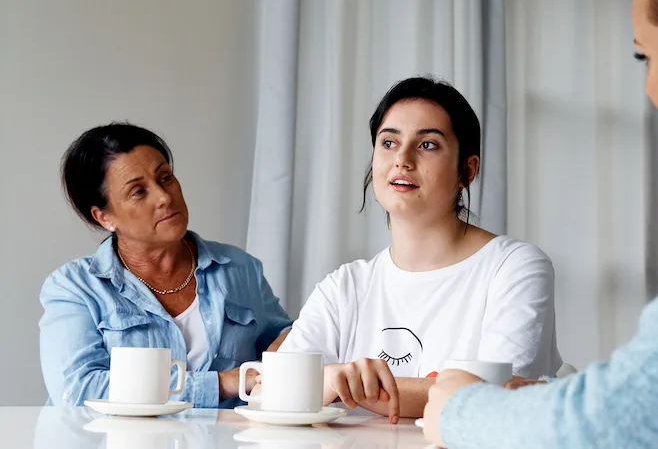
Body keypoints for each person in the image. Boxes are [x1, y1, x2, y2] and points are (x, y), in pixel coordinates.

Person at [422, 0, 658, 447]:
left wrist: (460, 410)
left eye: (646, 56)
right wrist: (546, 402)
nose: (649, 89)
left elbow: (630, 426)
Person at [273, 77, 562, 422]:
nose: (402, 159)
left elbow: (494, 396)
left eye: (427, 145)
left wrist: (343, 386)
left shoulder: (515, 267)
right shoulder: (344, 287)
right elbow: (269, 390)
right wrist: (331, 377)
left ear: (467, 170)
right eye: (389, 142)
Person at [39, 123, 293, 408]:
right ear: (104, 217)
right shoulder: (74, 288)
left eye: (165, 178)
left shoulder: (238, 268)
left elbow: (283, 338)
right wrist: (221, 383)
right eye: (138, 192)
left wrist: (291, 346)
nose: (164, 197)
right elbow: (78, 390)